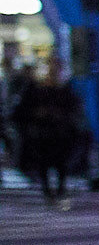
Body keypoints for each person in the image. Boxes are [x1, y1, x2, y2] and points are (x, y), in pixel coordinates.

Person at [12, 63, 84, 206]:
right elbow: (24, 110)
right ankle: (48, 191)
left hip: (60, 133)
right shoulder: (37, 89)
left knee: (61, 163)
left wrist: (64, 118)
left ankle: (60, 190)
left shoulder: (65, 89)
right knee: (44, 163)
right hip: (43, 133)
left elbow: (74, 109)